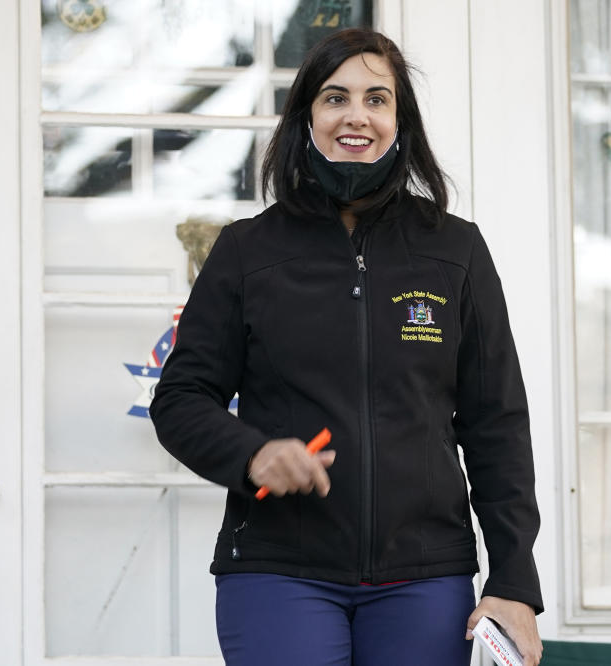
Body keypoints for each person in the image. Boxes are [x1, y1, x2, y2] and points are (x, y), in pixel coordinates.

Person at [151, 27, 543, 666]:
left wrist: (514, 584)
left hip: (426, 575)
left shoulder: (456, 251)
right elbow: (181, 401)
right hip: (280, 574)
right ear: (308, 117)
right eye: (335, 98)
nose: (355, 115)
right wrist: (251, 455)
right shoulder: (247, 252)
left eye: (376, 99)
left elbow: (496, 424)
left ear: (399, 121)